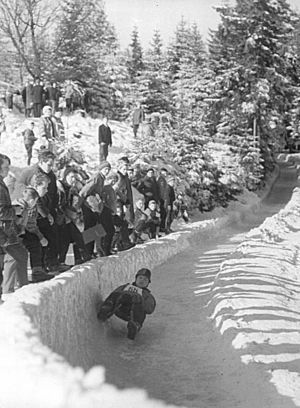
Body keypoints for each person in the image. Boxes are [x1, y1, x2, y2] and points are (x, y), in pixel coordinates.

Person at [97, 268, 156, 340]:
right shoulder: (126, 287)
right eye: (140, 278)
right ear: (136, 279)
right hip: (120, 308)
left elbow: (150, 309)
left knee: (137, 302)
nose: (142, 281)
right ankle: (106, 309)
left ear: (148, 283)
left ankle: (135, 326)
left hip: (132, 314)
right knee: (119, 295)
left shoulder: (147, 295)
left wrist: (141, 301)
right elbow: (114, 294)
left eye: (145, 280)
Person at [0, 154, 28, 297]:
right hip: (3, 229)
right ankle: (14, 290)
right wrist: (15, 210)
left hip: (6, 228)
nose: (8, 169)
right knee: (16, 255)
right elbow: (1, 211)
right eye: (5, 166)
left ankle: (13, 289)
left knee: (15, 256)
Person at [17, 187, 54, 282]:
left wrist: (39, 236)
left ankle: (37, 271)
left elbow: (32, 224)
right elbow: (22, 225)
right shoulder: (20, 207)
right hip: (15, 235)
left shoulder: (30, 207)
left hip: (22, 232)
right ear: (32, 200)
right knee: (22, 251)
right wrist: (41, 237)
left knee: (35, 243)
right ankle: (20, 278)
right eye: (35, 201)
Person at [157, 168, 169, 232]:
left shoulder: (163, 179)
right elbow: (162, 190)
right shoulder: (161, 180)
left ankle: (163, 227)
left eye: (166, 173)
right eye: (164, 173)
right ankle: (162, 227)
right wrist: (164, 199)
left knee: (164, 213)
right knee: (163, 213)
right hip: (162, 199)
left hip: (164, 199)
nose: (165, 174)